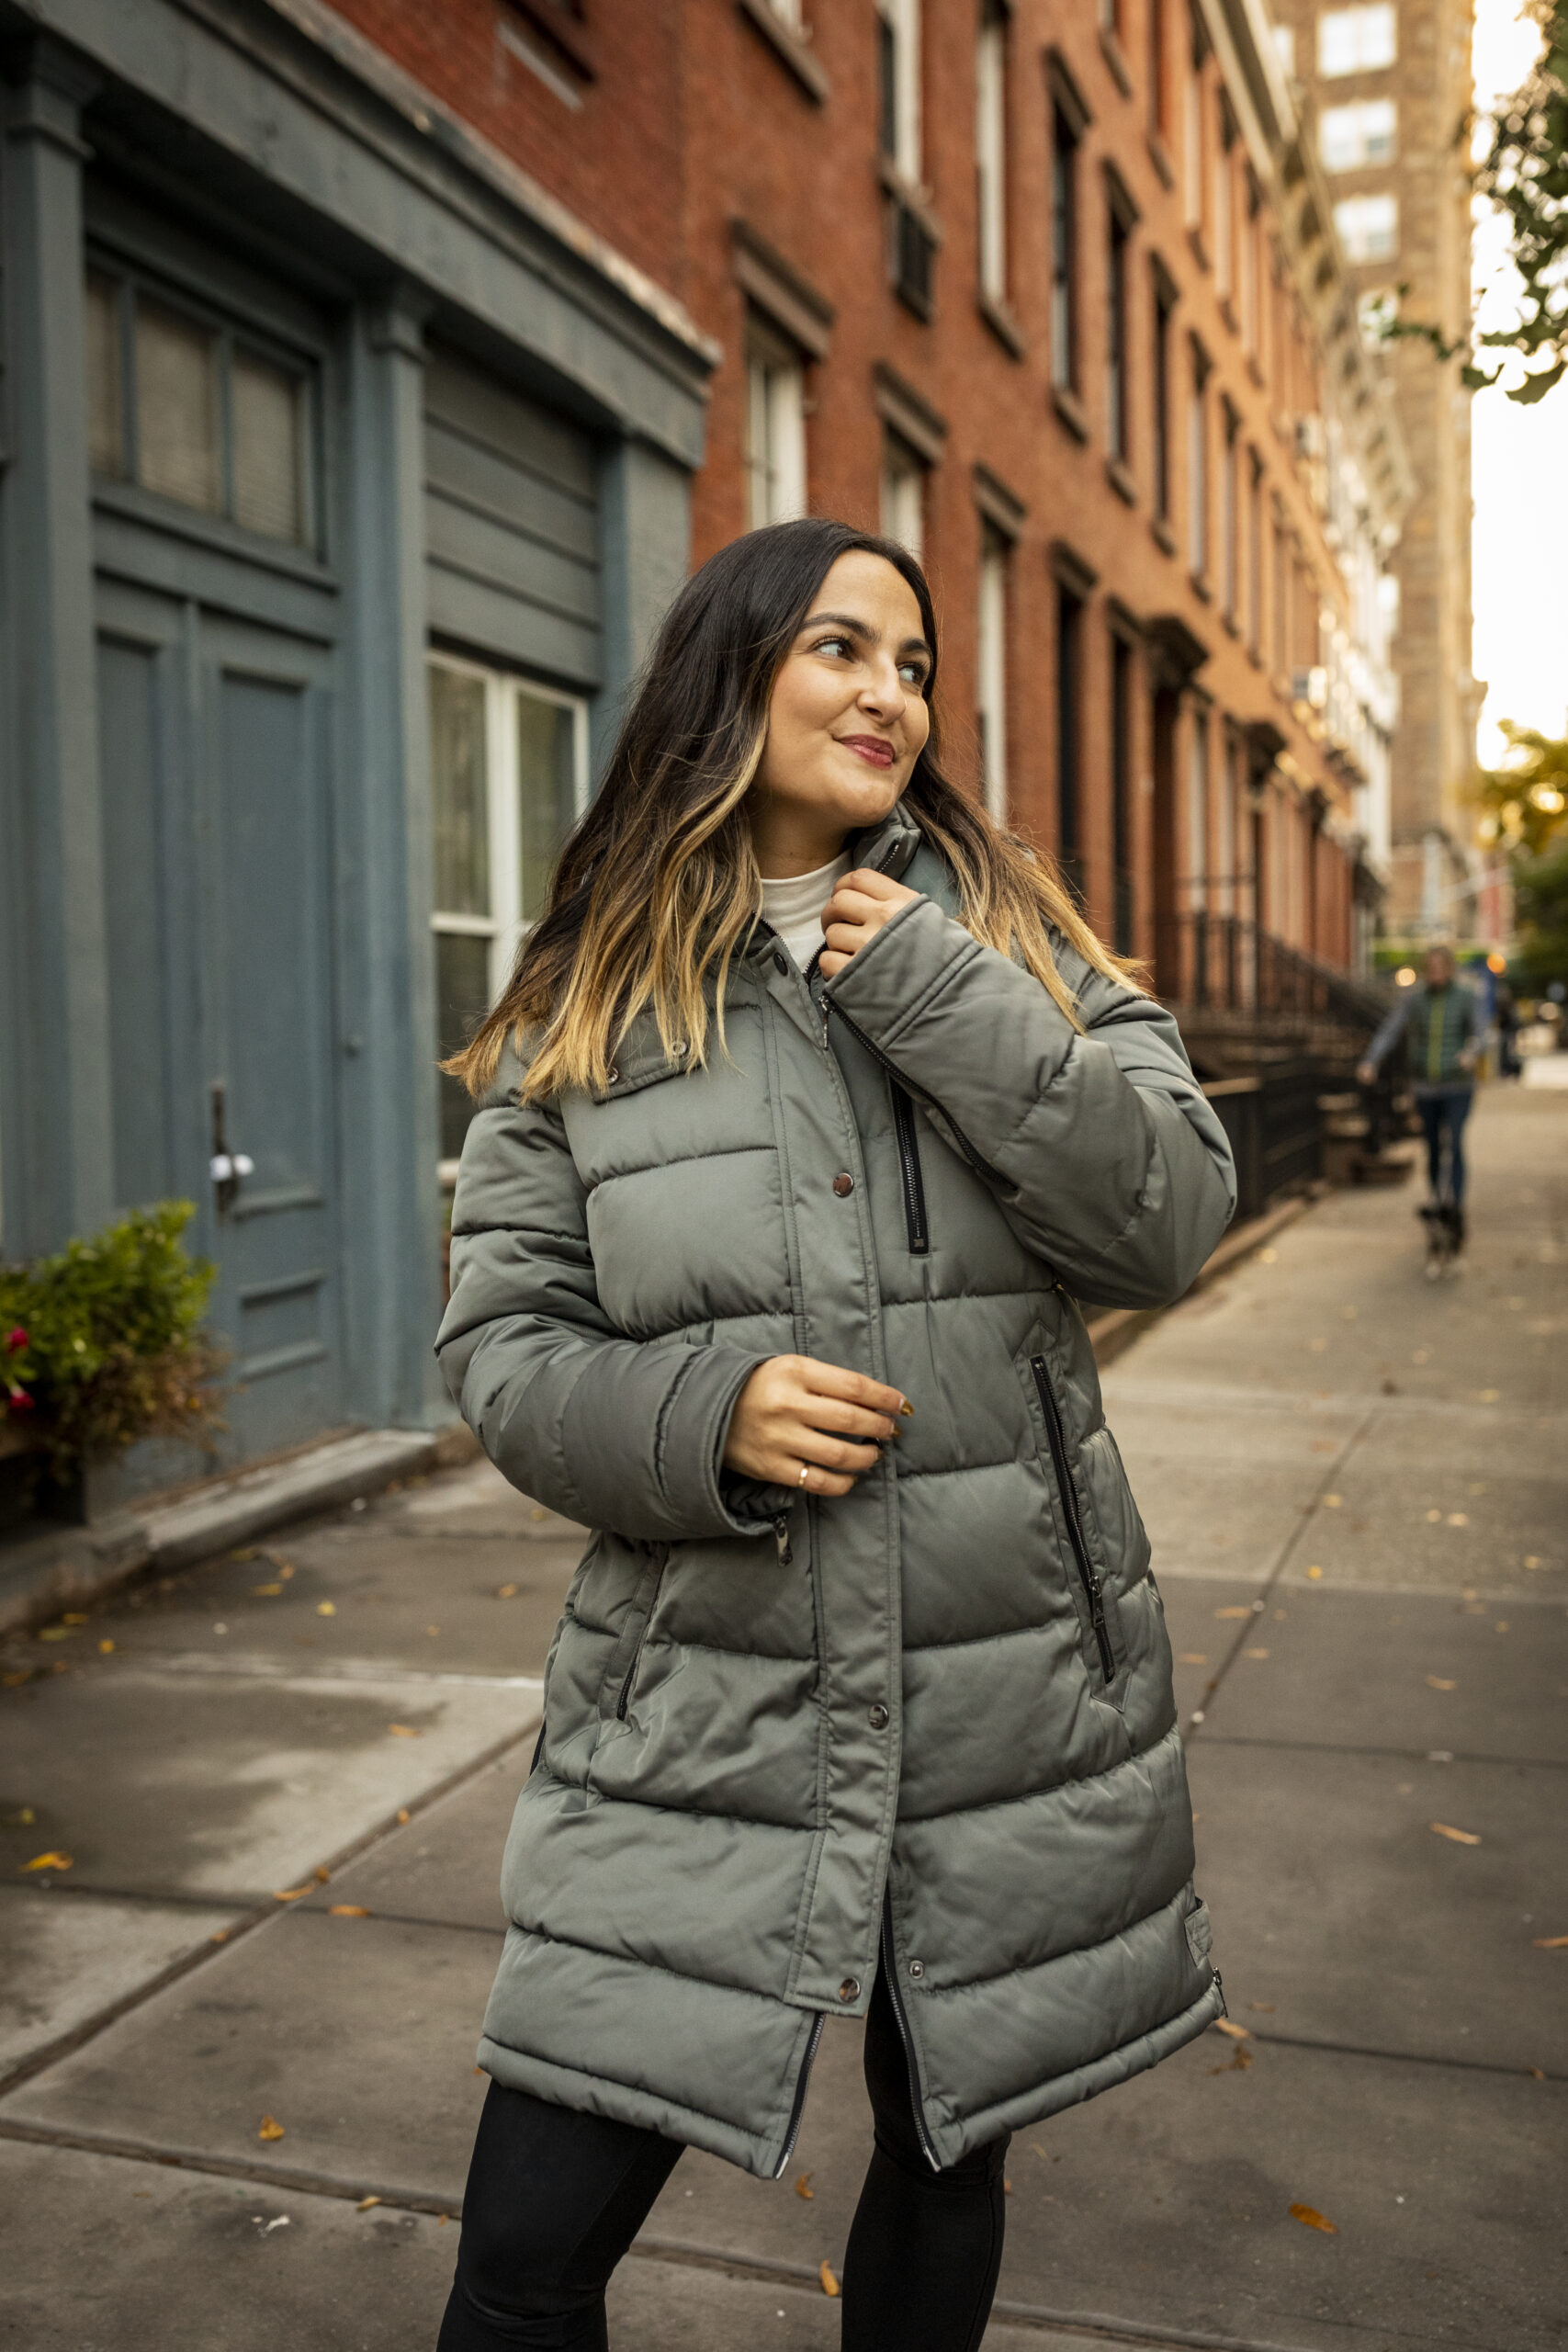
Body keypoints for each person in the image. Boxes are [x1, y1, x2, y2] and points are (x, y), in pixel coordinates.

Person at [434, 519, 1236, 2352]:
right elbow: (504, 1352)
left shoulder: (1018, 944)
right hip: (701, 1701)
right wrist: (701, 1414)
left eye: (917, 661)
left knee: (950, 2160)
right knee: (524, 2250)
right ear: (732, 674)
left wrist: (943, 992)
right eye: (841, 646)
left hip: (999, 1688)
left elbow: (1171, 1218)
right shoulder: (586, 1001)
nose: (893, 690)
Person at [1357, 944, 1483, 1247]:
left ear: (1450, 969)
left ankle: (1456, 1205)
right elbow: (1391, 1030)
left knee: (1454, 1139)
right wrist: (1371, 1060)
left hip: (1457, 1085)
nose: (1436, 973)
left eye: (1441, 967)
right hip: (1425, 1085)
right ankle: (1436, 1198)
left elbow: (1481, 1033)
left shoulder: (1466, 996)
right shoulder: (1415, 998)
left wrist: (1471, 1054)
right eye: (1431, 967)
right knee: (1434, 1146)